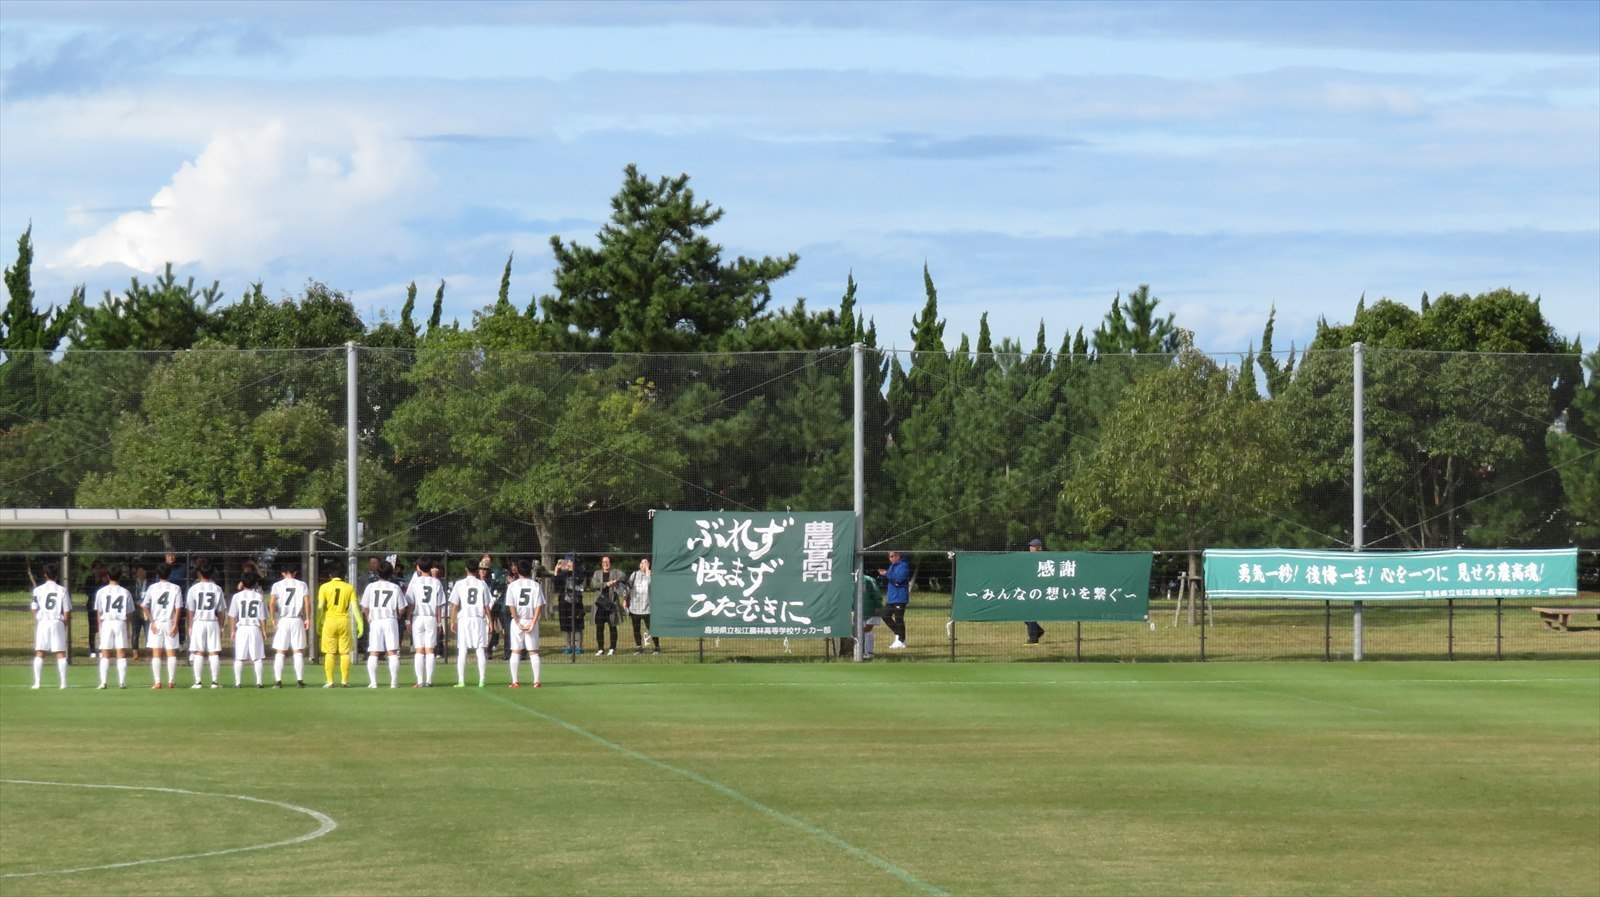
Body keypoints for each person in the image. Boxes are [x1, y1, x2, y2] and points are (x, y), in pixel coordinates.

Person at [359, 560, 409, 688]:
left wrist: (368, 617)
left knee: (373, 652)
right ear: (391, 573)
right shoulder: (395, 587)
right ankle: (393, 682)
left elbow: (365, 606)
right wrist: (397, 616)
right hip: (390, 620)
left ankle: (373, 682)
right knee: (392, 652)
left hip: (376, 620)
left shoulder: (371, 586)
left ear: (377, 572)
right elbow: (402, 607)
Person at [449, 558, 494, 687]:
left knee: (462, 649)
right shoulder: (482, 584)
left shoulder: (459, 584)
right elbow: (486, 606)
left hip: (464, 619)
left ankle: (461, 680)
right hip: (478, 619)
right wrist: (490, 621)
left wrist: (452, 621)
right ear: (478, 570)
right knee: (480, 649)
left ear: (466, 569)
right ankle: (482, 680)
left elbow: (455, 605)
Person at [316, 565, 363, 688]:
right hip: (344, 620)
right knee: (345, 653)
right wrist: (360, 622)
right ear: (343, 576)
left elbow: (320, 607)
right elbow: (354, 607)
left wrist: (318, 621)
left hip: (330, 620)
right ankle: (344, 681)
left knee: (329, 652)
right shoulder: (349, 587)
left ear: (330, 576)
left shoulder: (324, 587)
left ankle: (330, 681)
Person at [140, 562, 183, 688]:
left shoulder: (152, 588)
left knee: (156, 653)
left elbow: (144, 605)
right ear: (170, 573)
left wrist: (151, 621)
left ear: (157, 574)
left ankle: (157, 682)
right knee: (171, 653)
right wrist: (176, 624)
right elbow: (178, 608)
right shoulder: (176, 588)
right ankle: (171, 681)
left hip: (157, 623)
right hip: (170, 622)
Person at [503, 560, 545, 687]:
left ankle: (515, 681)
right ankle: (536, 681)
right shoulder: (535, 585)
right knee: (533, 651)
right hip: (531, 619)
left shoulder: (513, 586)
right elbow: (539, 605)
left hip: (518, 621)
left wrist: (516, 621)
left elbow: (511, 605)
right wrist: (533, 622)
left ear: (518, 571)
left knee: (515, 651)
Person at [185, 561, 227, 688]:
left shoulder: (194, 588)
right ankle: (214, 682)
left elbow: (190, 610)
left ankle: (198, 682)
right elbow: (220, 611)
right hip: (212, 622)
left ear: (199, 573)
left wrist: (190, 625)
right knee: (214, 652)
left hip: (198, 622)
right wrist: (221, 626)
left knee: (199, 652)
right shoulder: (217, 588)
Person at [30, 562, 71, 689]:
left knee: (40, 652)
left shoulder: (37, 590)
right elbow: (67, 611)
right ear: (57, 575)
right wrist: (65, 623)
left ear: (45, 575)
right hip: (57, 621)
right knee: (60, 653)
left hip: (43, 622)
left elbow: (34, 607)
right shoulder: (63, 590)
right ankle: (63, 683)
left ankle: (37, 683)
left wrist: (39, 617)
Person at [270, 562, 311, 688]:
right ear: (295, 573)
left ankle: (278, 681)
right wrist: (308, 618)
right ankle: (299, 680)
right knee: (298, 651)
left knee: (280, 651)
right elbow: (307, 602)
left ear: (283, 573)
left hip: (283, 619)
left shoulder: (277, 585)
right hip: (297, 619)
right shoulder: (302, 584)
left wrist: (272, 618)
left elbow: (271, 602)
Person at [405, 557, 445, 687]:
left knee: (419, 650)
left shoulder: (415, 582)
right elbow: (439, 605)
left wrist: (407, 619)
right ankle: (429, 681)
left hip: (418, 617)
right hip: (431, 617)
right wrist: (439, 622)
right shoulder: (436, 582)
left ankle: (420, 681)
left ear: (419, 568)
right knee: (430, 650)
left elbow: (410, 603)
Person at [93, 564, 134, 689]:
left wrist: (100, 626)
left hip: (106, 622)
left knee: (105, 652)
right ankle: (122, 682)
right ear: (120, 576)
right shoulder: (125, 592)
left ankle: (103, 682)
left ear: (107, 576)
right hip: (120, 622)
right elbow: (129, 612)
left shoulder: (101, 591)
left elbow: (99, 612)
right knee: (121, 652)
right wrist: (127, 627)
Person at [228, 570, 270, 687]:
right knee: (257, 657)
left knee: (239, 657)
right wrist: (264, 631)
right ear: (254, 582)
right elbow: (263, 617)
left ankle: (238, 682)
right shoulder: (259, 597)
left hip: (241, 628)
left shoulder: (237, 596)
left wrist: (232, 631)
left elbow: (233, 616)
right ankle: (259, 682)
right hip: (254, 628)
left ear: (243, 582)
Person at [590, 555, 624, 656]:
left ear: (610, 563)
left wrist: (616, 581)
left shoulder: (615, 572)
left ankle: (612, 648)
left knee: (612, 626)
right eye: (604, 562)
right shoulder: (597, 573)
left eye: (607, 562)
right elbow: (593, 584)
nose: (606, 563)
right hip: (600, 604)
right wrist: (606, 584)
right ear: (601, 563)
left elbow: (623, 576)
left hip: (611, 604)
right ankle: (600, 648)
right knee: (599, 627)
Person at [878, 550, 911, 650]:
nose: (890, 558)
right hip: (891, 597)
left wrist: (887, 574)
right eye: (889, 556)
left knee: (899, 618)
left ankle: (901, 640)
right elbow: (891, 579)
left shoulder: (903, 566)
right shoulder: (892, 566)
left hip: (900, 597)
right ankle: (898, 634)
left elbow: (898, 579)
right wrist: (884, 575)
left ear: (898, 556)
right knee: (884, 615)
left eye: (892, 556)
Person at [625, 558, 658, 655]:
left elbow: (650, 584)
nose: (644, 565)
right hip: (635, 607)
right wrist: (625, 600)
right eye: (643, 563)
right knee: (636, 628)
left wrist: (647, 572)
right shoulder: (634, 574)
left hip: (647, 607)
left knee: (651, 628)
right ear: (639, 565)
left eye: (646, 563)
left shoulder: (651, 575)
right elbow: (628, 588)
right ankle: (639, 647)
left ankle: (657, 646)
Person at [482, 554, 512, 659]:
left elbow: (500, 584)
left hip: (500, 604)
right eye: (484, 558)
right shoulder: (479, 575)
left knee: (506, 629)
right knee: (489, 629)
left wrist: (503, 581)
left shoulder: (498, 573)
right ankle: (487, 650)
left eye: (488, 559)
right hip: (488, 606)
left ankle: (507, 653)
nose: (486, 561)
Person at [553, 556, 584, 656]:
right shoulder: (563, 574)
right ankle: (568, 646)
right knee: (565, 625)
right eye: (567, 561)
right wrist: (556, 569)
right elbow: (556, 584)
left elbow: (577, 581)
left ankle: (579, 647)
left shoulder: (580, 572)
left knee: (577, 624)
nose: (567, 563)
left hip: (576, 602)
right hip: (563, 602)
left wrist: (571, 570)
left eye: (570, 561)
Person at [165, 551, 191, 650]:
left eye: (173, 555)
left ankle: (181, 642)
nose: (171, 557)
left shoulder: (182, 568)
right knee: (168, 620)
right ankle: (168, 643)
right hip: (166, 600)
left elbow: (185, 581)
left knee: (180, 621)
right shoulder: (162, 568)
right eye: (168, 555)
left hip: (180, 598)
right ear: (165, 557)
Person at [1024, 537, 1046, 644]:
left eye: (1033, 546)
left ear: (1039, 547)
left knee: (1030, 614)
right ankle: (1038, 631)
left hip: (1039, 591)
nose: (1030, 548)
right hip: (1029, 589)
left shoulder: (1043, 559)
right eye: (1030, 546)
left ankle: (1033, 638)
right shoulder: (1028, 559)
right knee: (1024, 615)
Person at [83, 563, 107, 659]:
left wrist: (102, 582)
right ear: (92, 570)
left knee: (102, 628)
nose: (97, 571)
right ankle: (92, 650)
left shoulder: (104, 580)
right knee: (92, 630)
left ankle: (102, 649)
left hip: (102, 607)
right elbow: (88, 592)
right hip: (92, 607)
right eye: (95, 569)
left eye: (99, 569)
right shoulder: (89, 579)